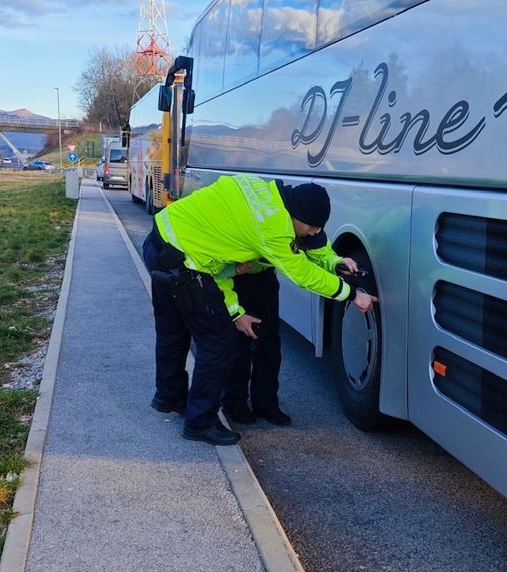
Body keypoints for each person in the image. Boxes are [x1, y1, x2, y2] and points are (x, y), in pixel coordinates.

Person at [142, 174, 376, 446]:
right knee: (218, 341)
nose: (313, 233)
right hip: (182, 262)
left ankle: (168, 397)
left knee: (174, 330)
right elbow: (302, 274)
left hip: (161, 241)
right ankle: (200, 422)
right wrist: (349, 293)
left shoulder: (265, 193)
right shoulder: (274, 227)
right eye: (311, 227)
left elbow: (217, 270)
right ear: (296, 216)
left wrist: (335, 261)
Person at [221, 236, 359, 427]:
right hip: (232, 273)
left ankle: (266, 404)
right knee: (239, 342)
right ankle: (234, 402)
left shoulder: (302, 217)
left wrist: (335, 261)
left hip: (264, 274)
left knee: (269, 342)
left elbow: (315, 243)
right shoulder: (274, 214)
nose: (314, 232)